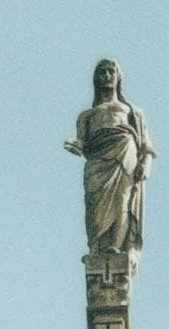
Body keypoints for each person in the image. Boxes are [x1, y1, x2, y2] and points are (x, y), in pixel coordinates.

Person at [64, 59, 154, 254]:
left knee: (123, 199)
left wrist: (145, 164)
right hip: (96, 162)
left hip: (124, 153)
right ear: (95, 79)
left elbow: (146, 146)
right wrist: (75, 146)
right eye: (102, 72)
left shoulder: (132, 111)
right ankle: (96, 246)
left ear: (118, 76)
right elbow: (81, 143)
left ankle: (117, 244)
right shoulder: (86, 115)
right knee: (94, 207)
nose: (106, 76)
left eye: (110, 72)